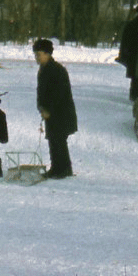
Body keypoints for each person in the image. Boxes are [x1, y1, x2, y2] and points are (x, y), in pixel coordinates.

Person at [34, 38, 77, 179]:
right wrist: (40, 106)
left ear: (48, 54)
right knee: (52, 139)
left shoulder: (57, 70)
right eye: (35, 54)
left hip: (61, 112)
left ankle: (64, 169)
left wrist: (49, 110)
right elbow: (41, 91)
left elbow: (59, 94)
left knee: (59, 140)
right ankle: (56, 167)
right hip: (51, 113)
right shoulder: (43, 70)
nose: (37, 57)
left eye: (39, 54)